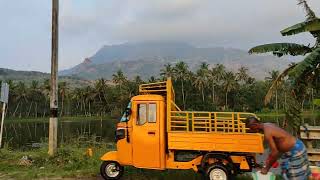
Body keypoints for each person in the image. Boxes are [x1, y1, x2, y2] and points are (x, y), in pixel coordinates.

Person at [245, 116, 311, 179]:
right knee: (287, 173)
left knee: (296, 176)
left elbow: (275, 153)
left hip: (296, 150)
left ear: (255, 125)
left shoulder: (267, 132)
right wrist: (271, 159)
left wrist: (266, 169)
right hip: (291, 150)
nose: (251, 130)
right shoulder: (267, 124)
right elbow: (277, 145)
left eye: (251, 128)